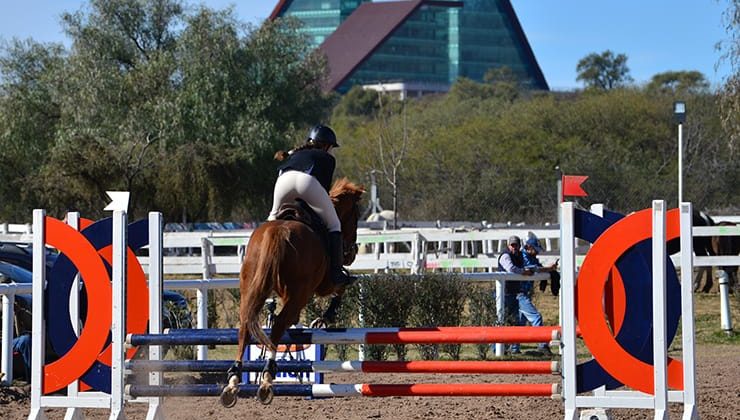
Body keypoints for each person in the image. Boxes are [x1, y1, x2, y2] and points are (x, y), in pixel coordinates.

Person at [268, 124, 354, 286]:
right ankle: (336, 273)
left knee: (271, 221)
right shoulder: (327, 158)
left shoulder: (294, 154)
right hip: (306, 183)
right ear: (327, 145)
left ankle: (255, 261)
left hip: (282, 181)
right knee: (335, 224)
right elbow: (323, 188)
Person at [498, 235, 550, 355]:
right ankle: (542, 345)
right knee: (535, 317)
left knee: (517, 323)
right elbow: (514, 269)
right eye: (513, 245)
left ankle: (514, 349)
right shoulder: (515, 256)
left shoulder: (521, 256)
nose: (537, 252)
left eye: (516, 245)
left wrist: (547, 270)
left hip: (516, 292)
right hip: (517, 293)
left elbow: (534, 268)